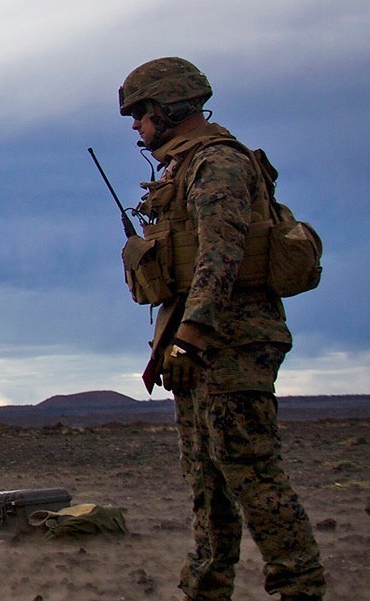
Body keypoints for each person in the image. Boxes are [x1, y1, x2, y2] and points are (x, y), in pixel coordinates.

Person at [117, 57, 326, 601]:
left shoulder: (218, 163)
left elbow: (221, 255)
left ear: (171, 106)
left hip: (233, 340)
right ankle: (206, 588)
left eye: (141, 113)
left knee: (252, 473)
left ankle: (300, 585)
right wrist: (179, 338)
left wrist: (194, 334)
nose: (137, 126)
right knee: (206, 480)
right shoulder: (181, 168)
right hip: (198, 343)